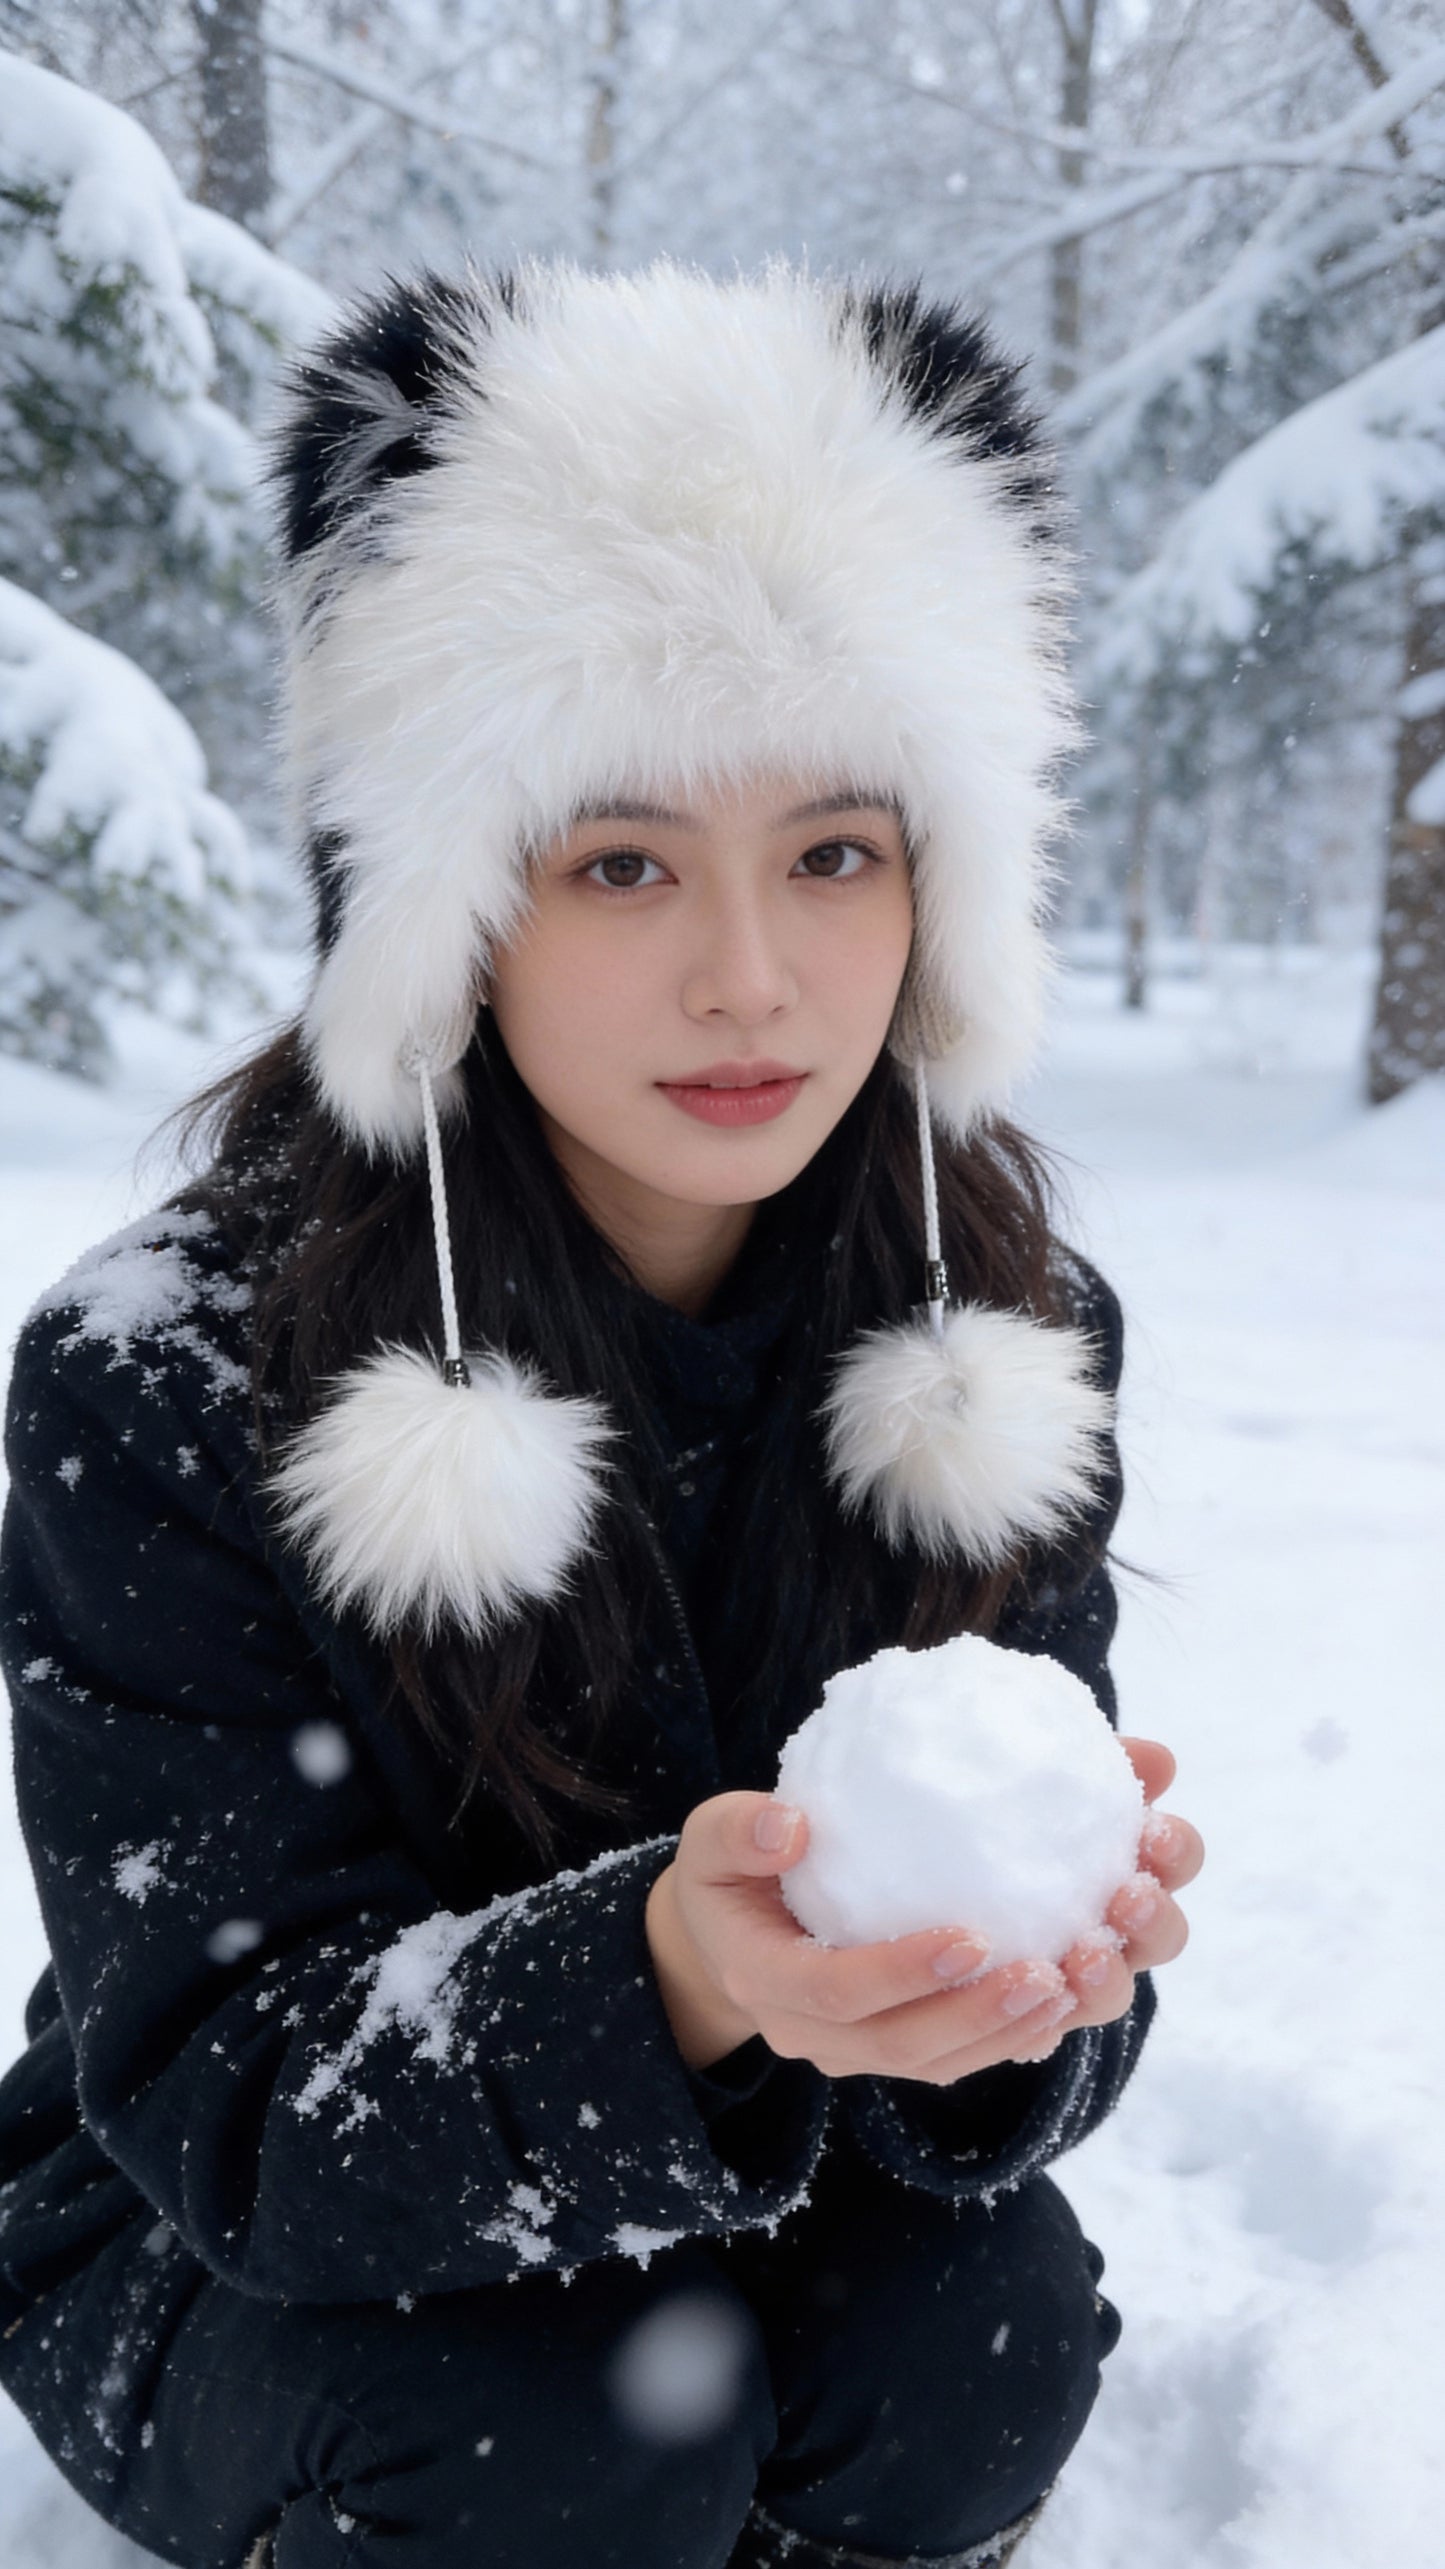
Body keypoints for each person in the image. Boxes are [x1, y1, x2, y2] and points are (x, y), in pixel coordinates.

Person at [0, 260, 1201, 2569]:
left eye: (833, 851)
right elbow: (232, 2100)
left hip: (750, 2175)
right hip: (229, 2230)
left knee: (984, 2349)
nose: (750, 974)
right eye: (623, 860)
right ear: (445, 910)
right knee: (564, 2437)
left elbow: (1014, 2045)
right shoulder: (161, 1368)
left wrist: (1032, 1983)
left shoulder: (989, 1332)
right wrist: (666, 1970)